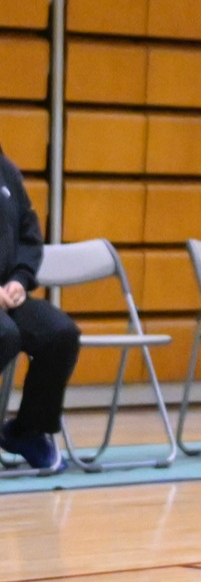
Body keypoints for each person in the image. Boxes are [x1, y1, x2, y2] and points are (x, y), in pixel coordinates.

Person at [0, 137, 77, 473]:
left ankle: (27, 430)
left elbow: (29, 234)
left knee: (59, 333)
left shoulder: (6, 170)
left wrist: (20, 279)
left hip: (8, 293)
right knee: (5, 334)